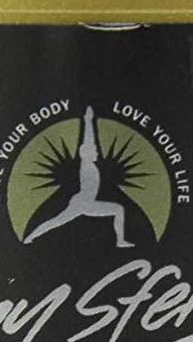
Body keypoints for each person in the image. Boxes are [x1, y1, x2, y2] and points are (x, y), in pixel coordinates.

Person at [24, 106, 134, 248]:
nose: (97, 152)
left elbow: (91, 145)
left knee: (118, 209)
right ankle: (31, 236)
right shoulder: (86, 164)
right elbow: (88, 141)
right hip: (82, 203)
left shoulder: (90, 164)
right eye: (94, 151)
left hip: (87, 202)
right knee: (57, 221)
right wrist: (88, 121)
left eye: (96, 150)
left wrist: (89, 120)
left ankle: (120, 241)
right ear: (86, 153)